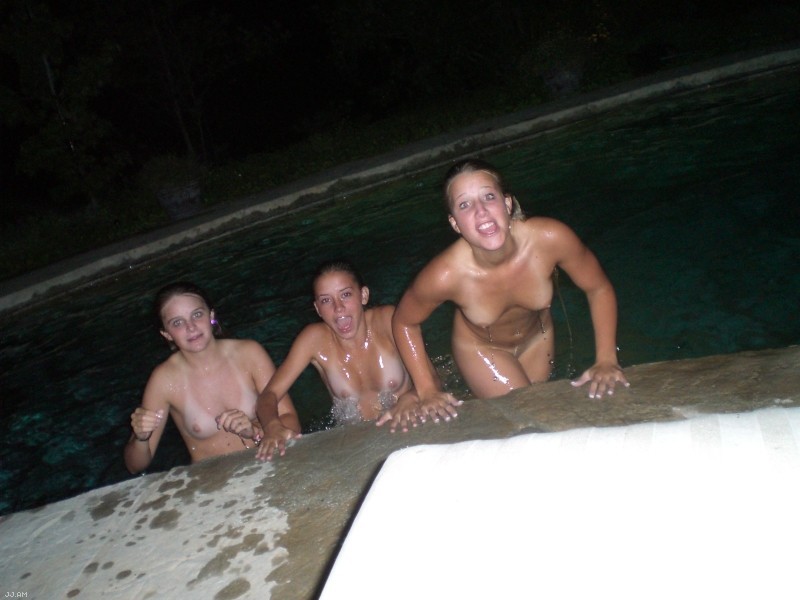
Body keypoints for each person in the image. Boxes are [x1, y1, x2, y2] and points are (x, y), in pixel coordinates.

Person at [392, 158, 629, 421]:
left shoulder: (549, 239)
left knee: (538, 410)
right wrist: (426, 389)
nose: (481, 211)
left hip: (538, 339)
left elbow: (598, 288)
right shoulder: (446, 275)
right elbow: (404, 322)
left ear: (507, 204)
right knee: (535, 414)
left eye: (488, 197)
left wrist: (606, 359)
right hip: (482, 350)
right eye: (465, 205)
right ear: (455, 223)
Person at [124, 281, 300, 474]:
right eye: (177, 323)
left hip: (268, 463)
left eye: (197, 315)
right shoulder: (165, 380)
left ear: (211, 316)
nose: (191, 327)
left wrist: (255, 431)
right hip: (213, 479)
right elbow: (134, 466)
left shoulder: (249, 353)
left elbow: (291, 422)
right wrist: (141, 438)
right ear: (167, 334)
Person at [256, 260, 422, 461]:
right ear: (317, 309)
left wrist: (411, 397)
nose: (338, 308)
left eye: (345, 295)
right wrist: (272, 426)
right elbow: (269, 395)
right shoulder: (313, 340)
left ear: (363, 295)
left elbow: (432, 380)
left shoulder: (388, 321)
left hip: (407, 426)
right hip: (358, 443)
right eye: (326, 300)